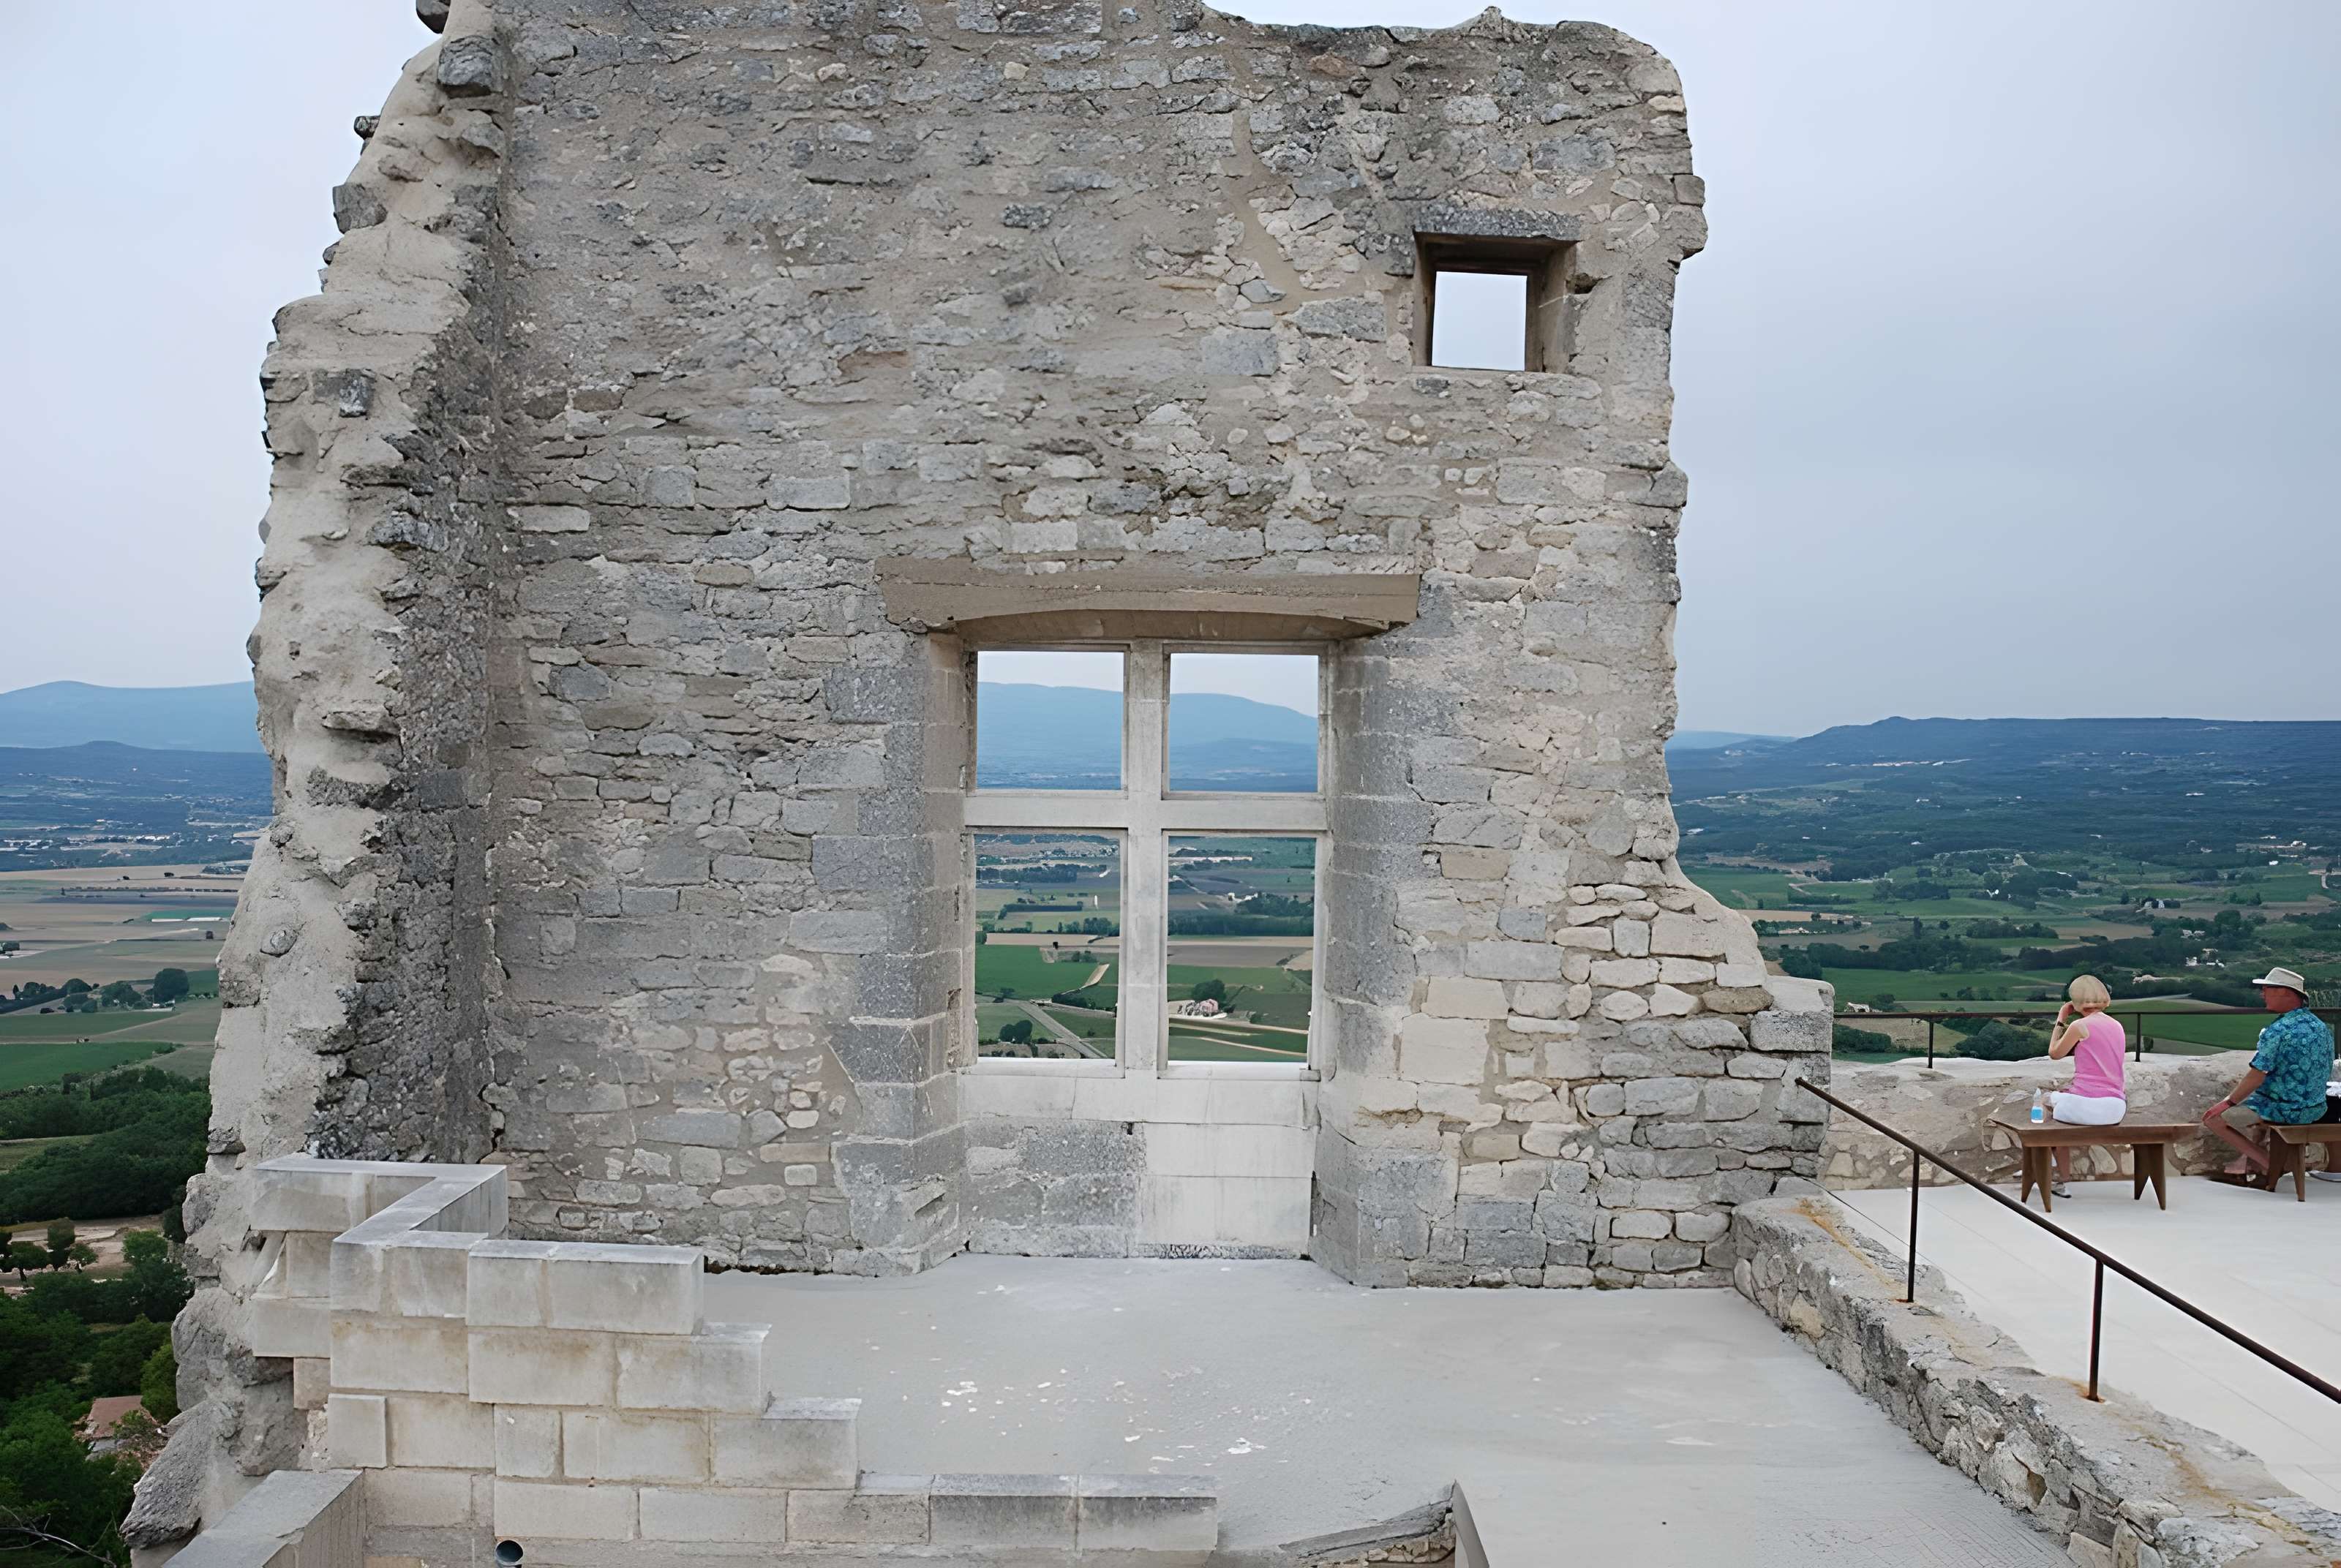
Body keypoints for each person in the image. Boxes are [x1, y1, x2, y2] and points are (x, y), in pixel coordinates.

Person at [2203, 967, 2336, 1183]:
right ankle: (2248, 1168)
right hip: (2316, 1107)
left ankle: (2270, 1165)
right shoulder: (2321, 1027)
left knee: (2213, 1119)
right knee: (2259, 1105)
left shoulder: (2278, 1031)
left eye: (2267, 989)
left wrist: (2227, 1103)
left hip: (2287, 1111)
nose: (2262, 994)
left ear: (2286, 992)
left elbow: (2257, 1075)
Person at [2043, 975, 2126, 1197]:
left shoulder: (2080, 1026)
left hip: (2089, 1106)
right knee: (2060, 1116)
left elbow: (2054, 1053)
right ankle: (2056, 1176)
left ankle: (2050, 1171)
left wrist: (2061, 1018)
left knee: (2042, 1106)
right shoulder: (2117, 1025)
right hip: (2116, 1107)